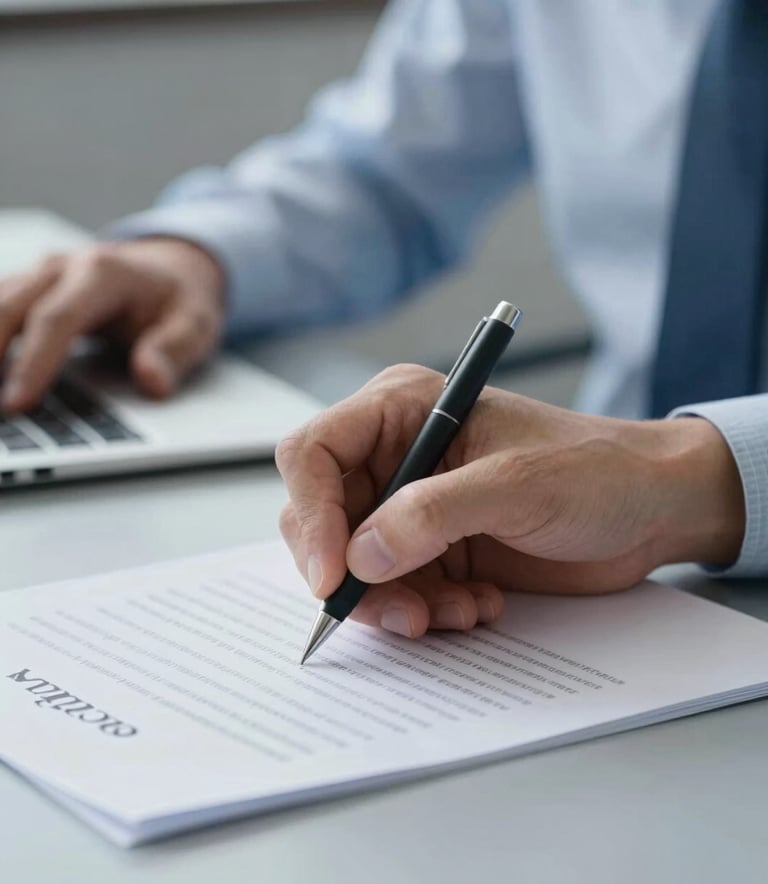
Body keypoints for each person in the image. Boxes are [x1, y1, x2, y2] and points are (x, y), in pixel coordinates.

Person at [1, 1, 766, 633]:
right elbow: (386, 168)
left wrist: (697, 481)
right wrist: (196, 258)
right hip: (587, 563)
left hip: (627, 516)